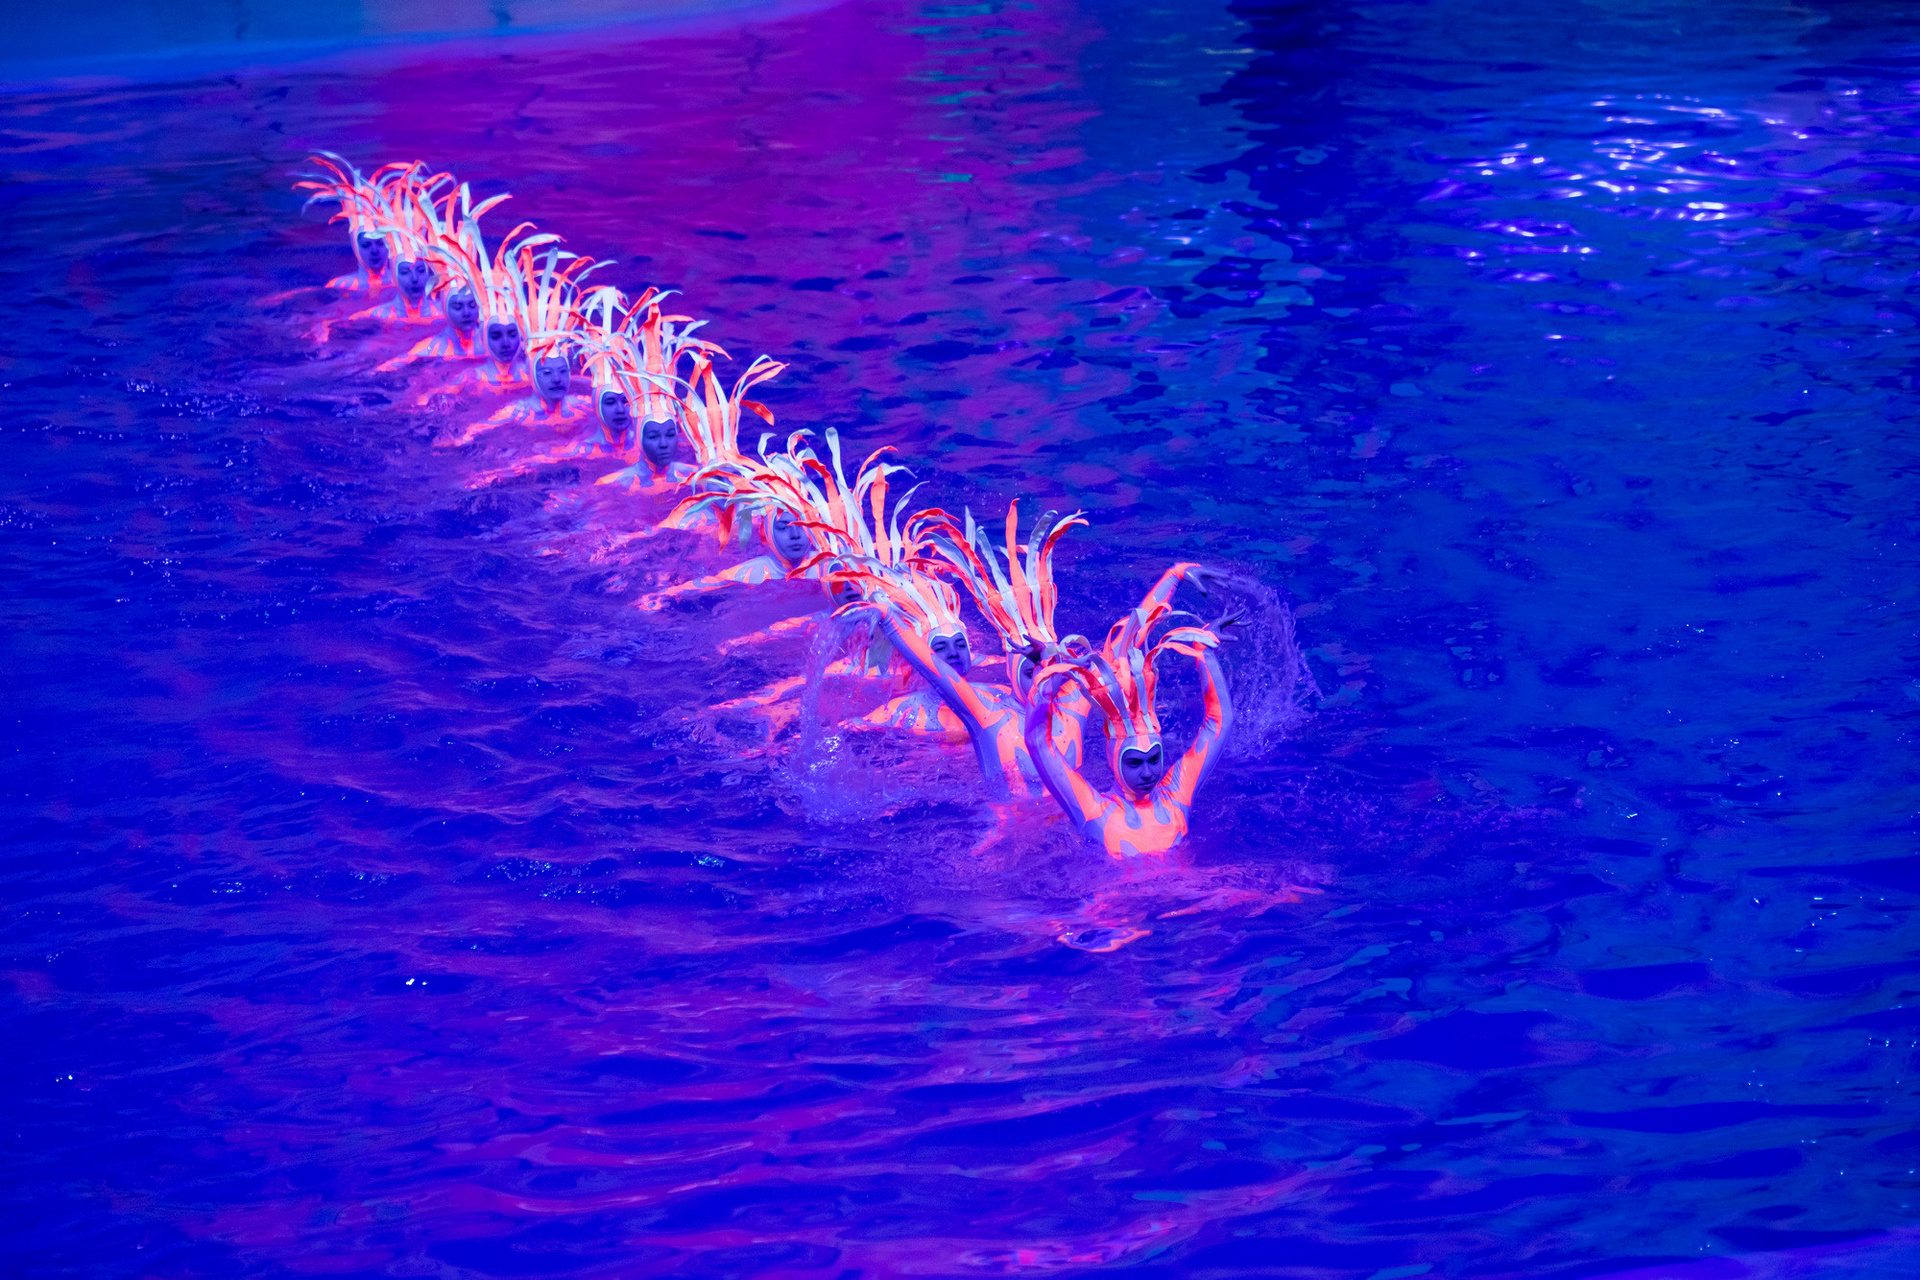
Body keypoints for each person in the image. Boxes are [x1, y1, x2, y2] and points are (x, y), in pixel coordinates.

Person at [1023, 602, 1237, 857]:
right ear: (1114, 761)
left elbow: (1220, 722)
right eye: (1134, 763)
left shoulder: (1176, 797)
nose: (1147, 773)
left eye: (1153, 759)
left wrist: (1204, 650)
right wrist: (1044, 670)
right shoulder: (1095, 812)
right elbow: (1038, 742)